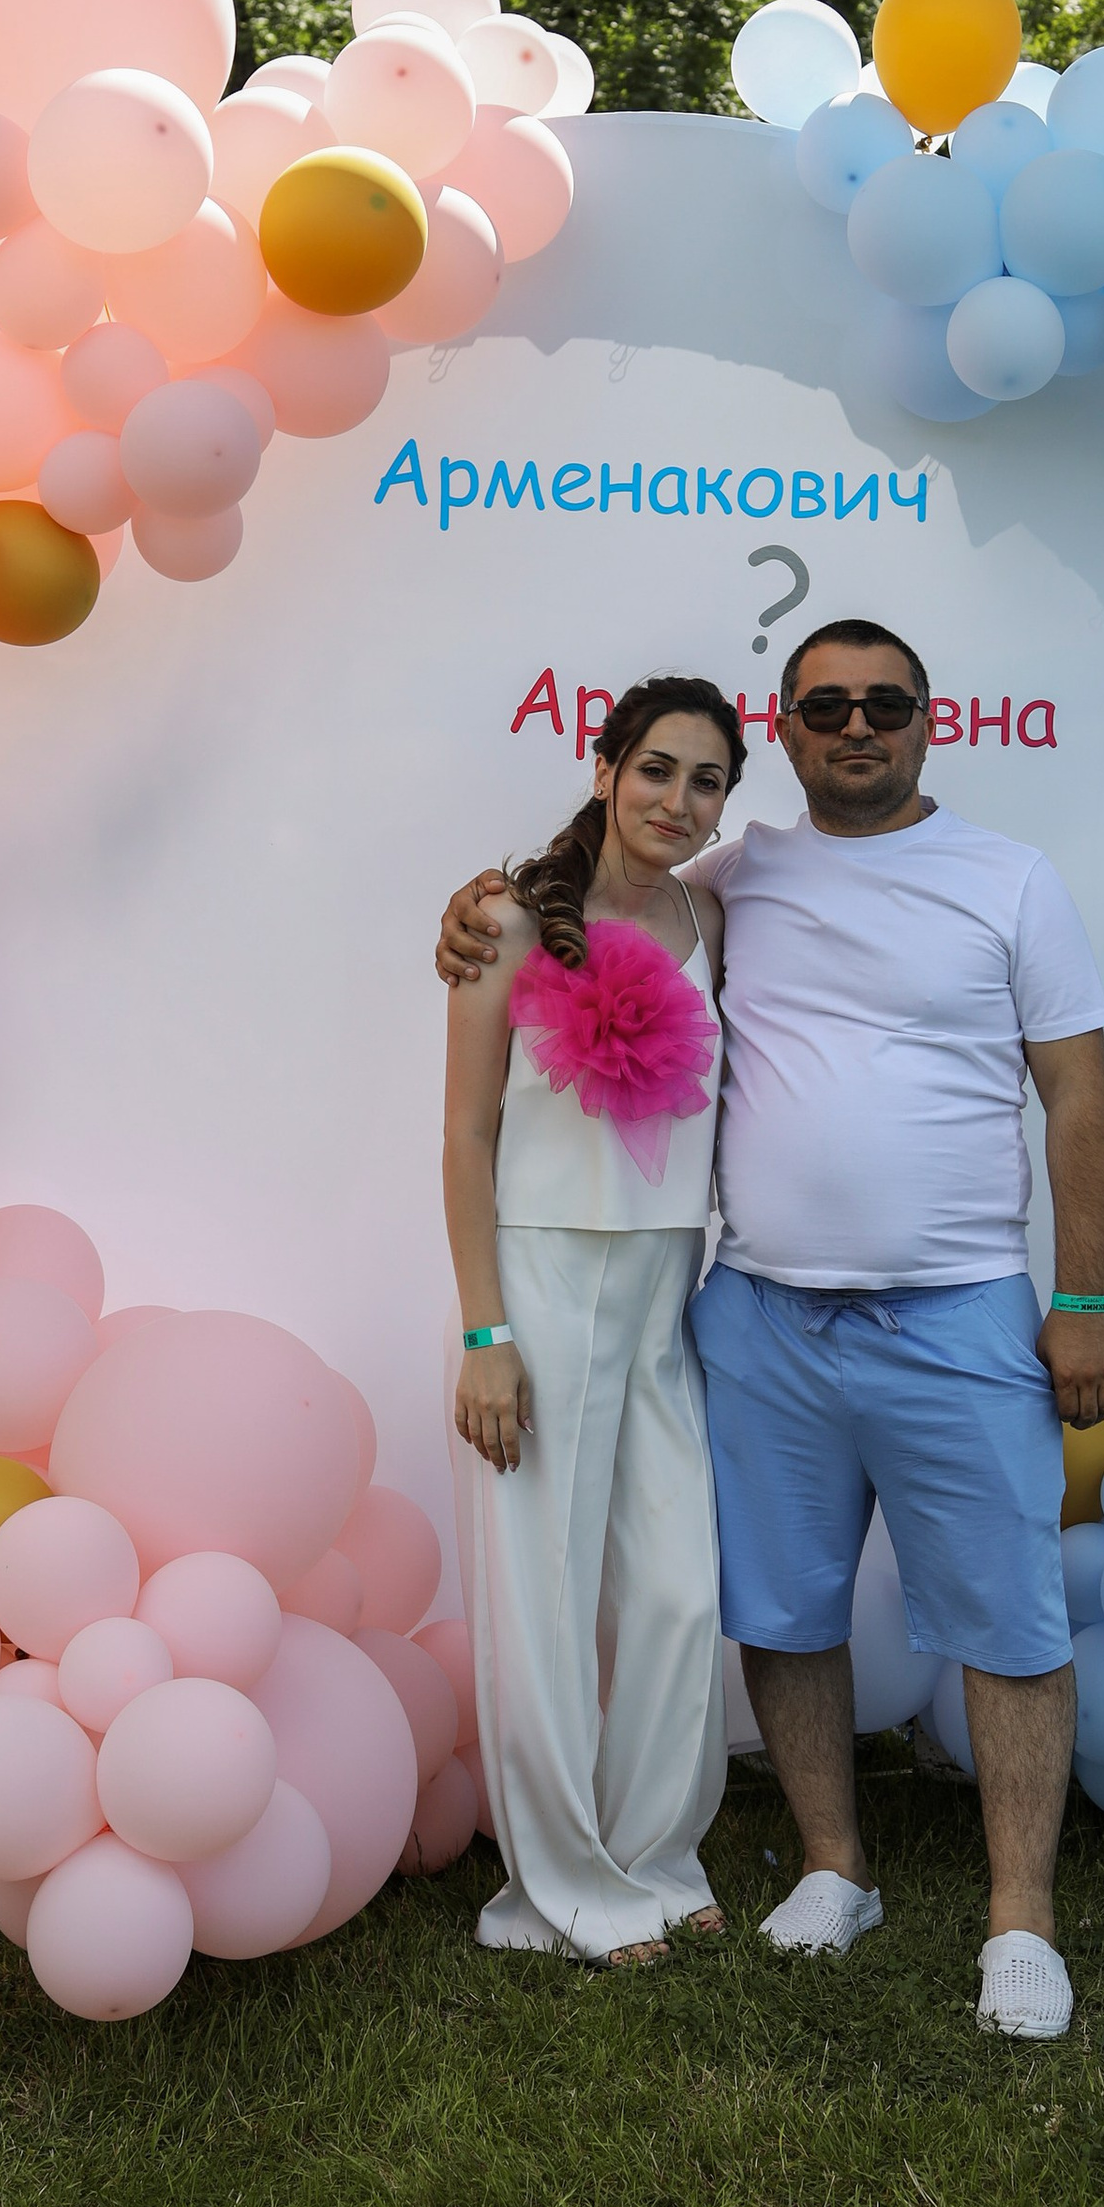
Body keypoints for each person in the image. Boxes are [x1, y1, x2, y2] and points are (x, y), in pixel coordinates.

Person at [439, 618, 1104, 2042]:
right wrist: (476, 901)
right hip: (752, 1314)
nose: (855, 725)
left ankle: (1021, 1921)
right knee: (775, 1607)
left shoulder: (1002, 879)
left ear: (933, 723)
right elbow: (569, 924)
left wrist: (1086, 1300)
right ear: (792, 733)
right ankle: (830, 1870)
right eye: (826, 706)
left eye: (886, 704)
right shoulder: (739, 876)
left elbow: (1077, 1096)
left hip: (954, 1311)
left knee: (1002, 1614)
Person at [441, 675, 746, 1967]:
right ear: (606, 763)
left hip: (664, 1289)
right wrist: (484, 1337)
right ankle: (564, 1888)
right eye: (660, 770)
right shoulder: (506, 921)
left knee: (678, 1590)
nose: (681, 801)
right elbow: (465, 1136)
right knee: (545, 1599)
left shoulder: (713, 914)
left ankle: (654, 1855)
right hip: (542, 1285)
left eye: (710, 781)